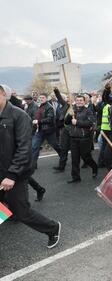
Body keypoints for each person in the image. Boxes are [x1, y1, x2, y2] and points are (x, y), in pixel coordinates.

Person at [0, 84, 61, 248]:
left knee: (22, 213)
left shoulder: (19, 116)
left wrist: (11, 175)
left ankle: (52, 228)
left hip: (15, 174)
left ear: (2, 95)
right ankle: (5, 214)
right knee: (4, 207)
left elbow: (24, 149)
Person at [64, 95, 98, 183]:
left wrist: (78, 122)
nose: (79, 102)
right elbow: (67, 122)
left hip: (84, 138)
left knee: (86, 157)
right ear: (75, 101)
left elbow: (90, 123)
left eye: (81, 100)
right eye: (77, 100)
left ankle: (94, 167)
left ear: (84, 101)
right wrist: (69, 116)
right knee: (74, 159)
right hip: (73, 138)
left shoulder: (88, 111)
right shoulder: (72, 110)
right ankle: (76, 177)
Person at [31, 93, 62, 169]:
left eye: (43, 97)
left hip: (49, 131)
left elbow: (50, 119)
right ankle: (33, 165)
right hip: (40, 131)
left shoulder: (49, 107)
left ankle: (63, 157)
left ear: (46, 98)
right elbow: (35, 116)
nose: (41, 99)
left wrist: (38, 121)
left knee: (55, 145)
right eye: (40, 97)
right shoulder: (38, 106)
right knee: (34, 147)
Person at [52, 87, 71, 172]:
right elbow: (59, 98)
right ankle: (61, 166)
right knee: (63, 148)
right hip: (64, 130)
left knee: (79, 151)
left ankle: (88, 163)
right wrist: (56, 91)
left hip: (74, 131)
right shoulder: (65, 105)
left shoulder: (75, 107)